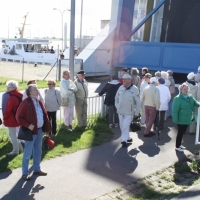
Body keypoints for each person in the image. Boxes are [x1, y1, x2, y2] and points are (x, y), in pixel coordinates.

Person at [16, 84, 51, 180]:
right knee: (28, 153)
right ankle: (25, 173)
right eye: (36, 89)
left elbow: (44, 116)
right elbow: (18, 117)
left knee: (38, 151)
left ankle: (36, 169)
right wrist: (28, 125)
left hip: (39, 130)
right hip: (30, 132)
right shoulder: (25, 103)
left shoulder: (39, 102)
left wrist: (47, 130)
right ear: (30, 92)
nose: (38, 90)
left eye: (37, 89)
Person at [172, 83, 200, 152]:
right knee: (180, 132)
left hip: (187, 118)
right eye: (184, 89)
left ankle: (179, 144)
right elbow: (175, 110)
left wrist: (199, 104)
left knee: (183, 132)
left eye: (187, 89)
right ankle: (177, 146)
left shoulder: (190, 96)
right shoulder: (177, 98)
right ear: (181, 90)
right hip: (180, 119)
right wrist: (175, 119)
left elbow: (195, 103)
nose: (186, 90)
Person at [115, 74, 141, 147]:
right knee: (121, 126)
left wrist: (137, 113)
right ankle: (128, 137)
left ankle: (124, 140)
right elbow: (116, 99)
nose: (123, 81)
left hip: (129, 112)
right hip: (120, 111)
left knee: (125, 126)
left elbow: (138, 102)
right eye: (122, 79)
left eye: (124, 79)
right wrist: (117, 106)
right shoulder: (120, 88)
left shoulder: (135, 89)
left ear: (129, 80)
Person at [3, 80, 23, 155]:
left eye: (9, 86)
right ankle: (20, 149)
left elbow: (8, 109)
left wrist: (5, 117)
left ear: (13, 87)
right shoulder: (19, 95)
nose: (7, 88)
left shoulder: (12, 97)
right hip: (16, 117)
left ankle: (15, 151)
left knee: (13, 136)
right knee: (15, 135)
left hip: (11, 118)